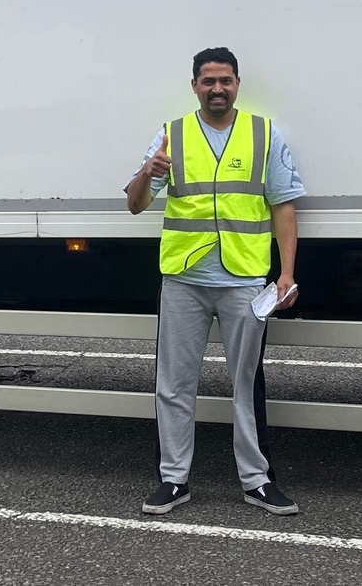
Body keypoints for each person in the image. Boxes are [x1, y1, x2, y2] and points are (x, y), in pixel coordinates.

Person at [124, 46, 303, 517]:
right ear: (195, 86)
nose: (217, 89)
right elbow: (136, 204)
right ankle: (174, 480)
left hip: (244, 278)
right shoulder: (172, 135)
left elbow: (283, 205)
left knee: (246, 384)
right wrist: (147, 172)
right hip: (184, 277)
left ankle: (256, 481)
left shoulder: (263, 134)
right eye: (208, 81)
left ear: (237, 84)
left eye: (225, 80)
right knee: (175, 384)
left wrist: (285, 273)